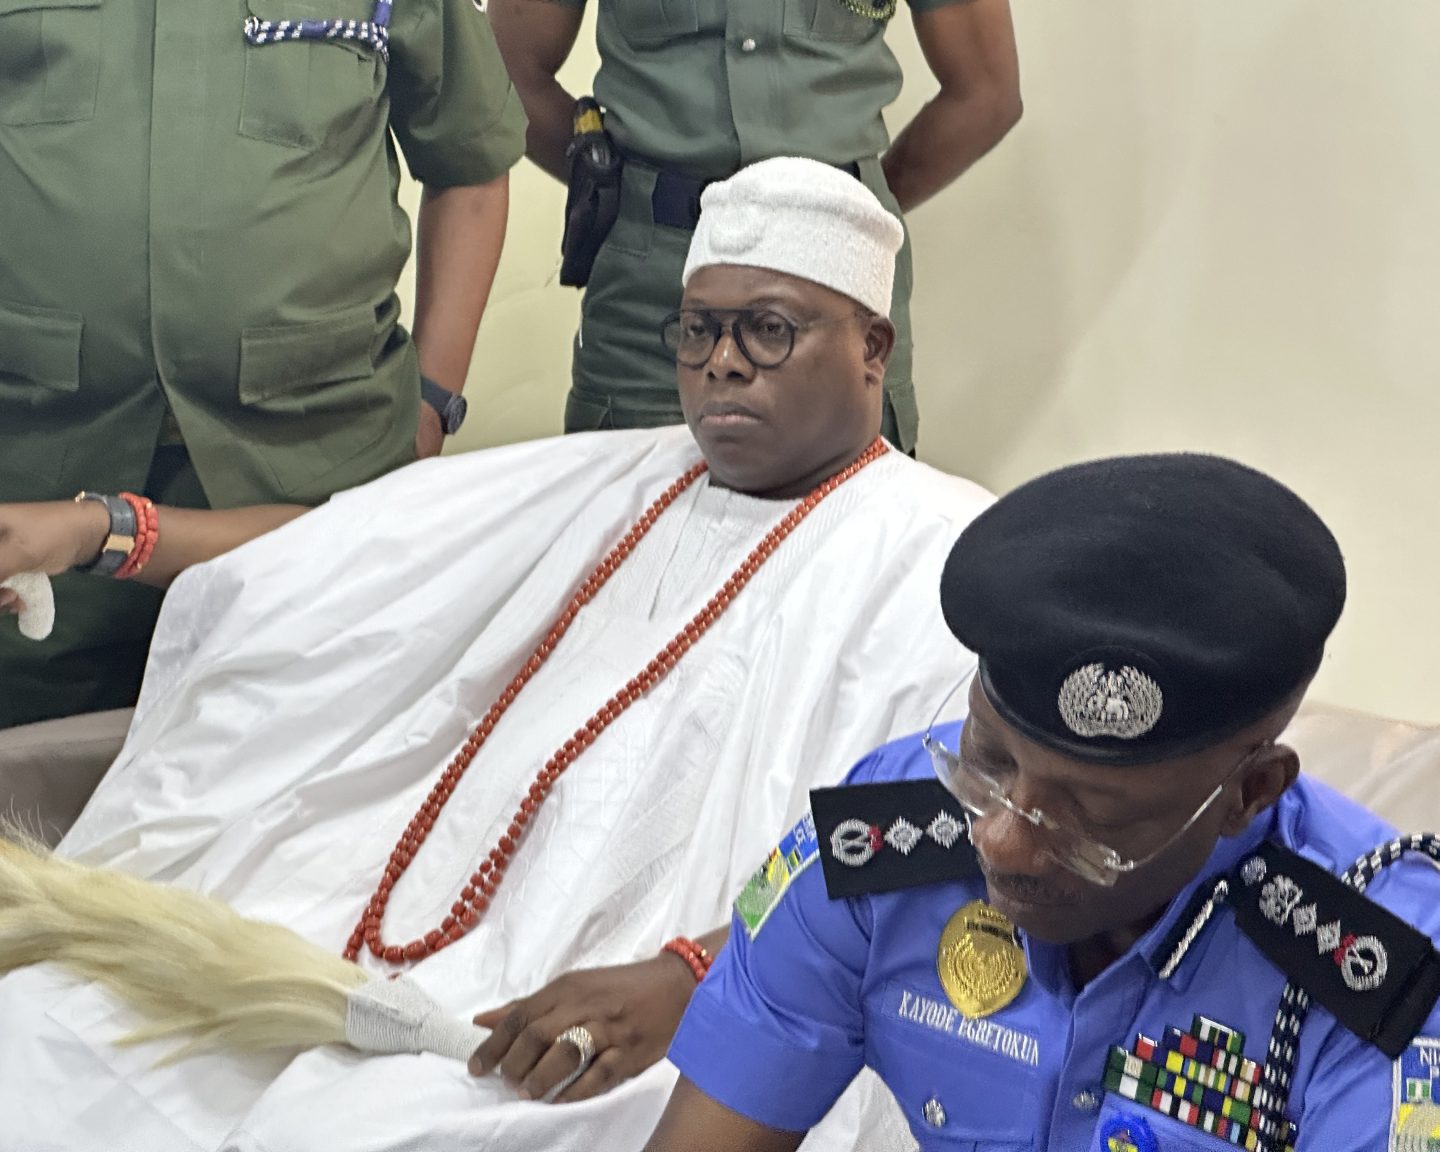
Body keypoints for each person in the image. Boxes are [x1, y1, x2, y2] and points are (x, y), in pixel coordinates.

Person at [0, 159, 992, 1152]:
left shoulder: (951, 552)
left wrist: (699, 975)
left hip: (676, 1023)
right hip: (393, 946)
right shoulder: (622, 474)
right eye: (698, 330)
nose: (722, 363)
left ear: (872, 346)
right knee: (44, 1028)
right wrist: (99, 531)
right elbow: (347, 552)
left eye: (768, 329)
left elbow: (962, 818)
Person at [647, 454, 1440, 1152]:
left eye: (1092, 815)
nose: (1002, 841)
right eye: (989, 761)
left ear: (1247, 794)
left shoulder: (1383, 971)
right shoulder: (881, 834)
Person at [0, 0, 527, 730]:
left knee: (320, 758)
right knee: (37, 773)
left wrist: (434, 399)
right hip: (39, 468)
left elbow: (471, 169)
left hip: (316, 467)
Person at [491, 0, 1022, 453]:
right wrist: (623, 191)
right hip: (650, 301)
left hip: (839, 290)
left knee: (848, 529)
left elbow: (985, 93)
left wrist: (855, 210)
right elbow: (508, 71)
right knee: (630, 525)